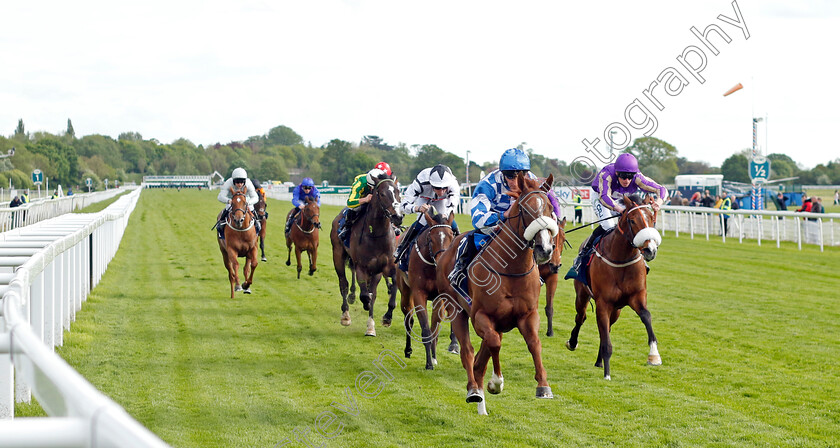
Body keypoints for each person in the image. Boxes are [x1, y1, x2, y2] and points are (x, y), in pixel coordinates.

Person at [448, 148, 562, 284]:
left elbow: (548, 203)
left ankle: (535, 271)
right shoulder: (487, 185)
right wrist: (503, 215)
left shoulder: (532, 180)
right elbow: (478, 220)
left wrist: (552, 216)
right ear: (503, 174)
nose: (516, 181)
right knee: (469, 238)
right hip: (493, 225)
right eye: (510, 176)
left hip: (519, 227)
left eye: (521, 175)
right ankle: (460, 269)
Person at [566, 153, 666, 279]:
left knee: (632, 225)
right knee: (608, 225)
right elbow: (604, 197)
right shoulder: (606, 174)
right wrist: (619, 209)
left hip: (620, 199)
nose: (627, 181)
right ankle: (582, 255)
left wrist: (658, 202)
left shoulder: (638, 177)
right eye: (624, 177)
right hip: (601, 197)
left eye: (630, 177)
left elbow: (661, 189)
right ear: (617, 173)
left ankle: (639, 256)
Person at [394, 164, 460, 271]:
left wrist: (445, 214)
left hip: (442, 202)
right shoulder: (421, 181)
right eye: (438, 188)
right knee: (422, 222)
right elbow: (403, 206)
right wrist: (418, 208)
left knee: (450, 225)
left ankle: (460, 254)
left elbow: (452, 205)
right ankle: (402, 250)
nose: (442, 191)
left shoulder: (452, 183)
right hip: (424, 199)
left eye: (444, 188)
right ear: (431, 184)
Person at [337, 162, 393, 244]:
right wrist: (365, 199)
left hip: (378, 202)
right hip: (362, 201)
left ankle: (394, 227)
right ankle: (346, 228)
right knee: (354, 209)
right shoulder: (360, 182)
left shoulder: (387, 182)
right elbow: (350, 202)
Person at [215, 167, 260, 238]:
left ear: (245, 181)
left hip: (245, 202)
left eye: (242, 182)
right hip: (232, 202)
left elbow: (255, 197)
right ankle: (221, 227)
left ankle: (257, 227)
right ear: (233, 181)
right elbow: (220, 196)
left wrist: (248, 202)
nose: (240, 184)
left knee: (254, 214)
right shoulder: (228, 183)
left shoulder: (248, 183)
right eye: (237, 182)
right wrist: (228, 201)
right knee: (225, 213)